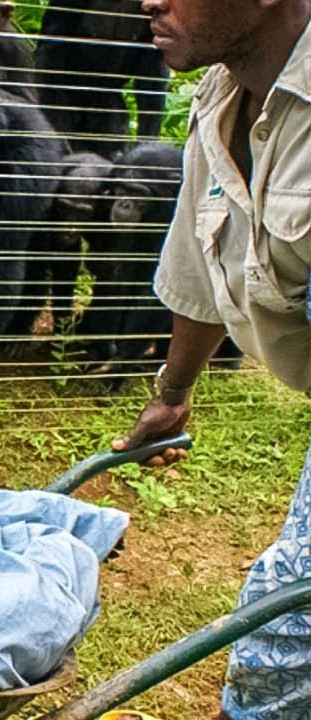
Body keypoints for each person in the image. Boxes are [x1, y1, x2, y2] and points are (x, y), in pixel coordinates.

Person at [114, 0, 311, 716]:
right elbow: (197, 265)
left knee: (287, 623)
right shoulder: (222, 96)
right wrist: (173, 391)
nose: (149, 1)